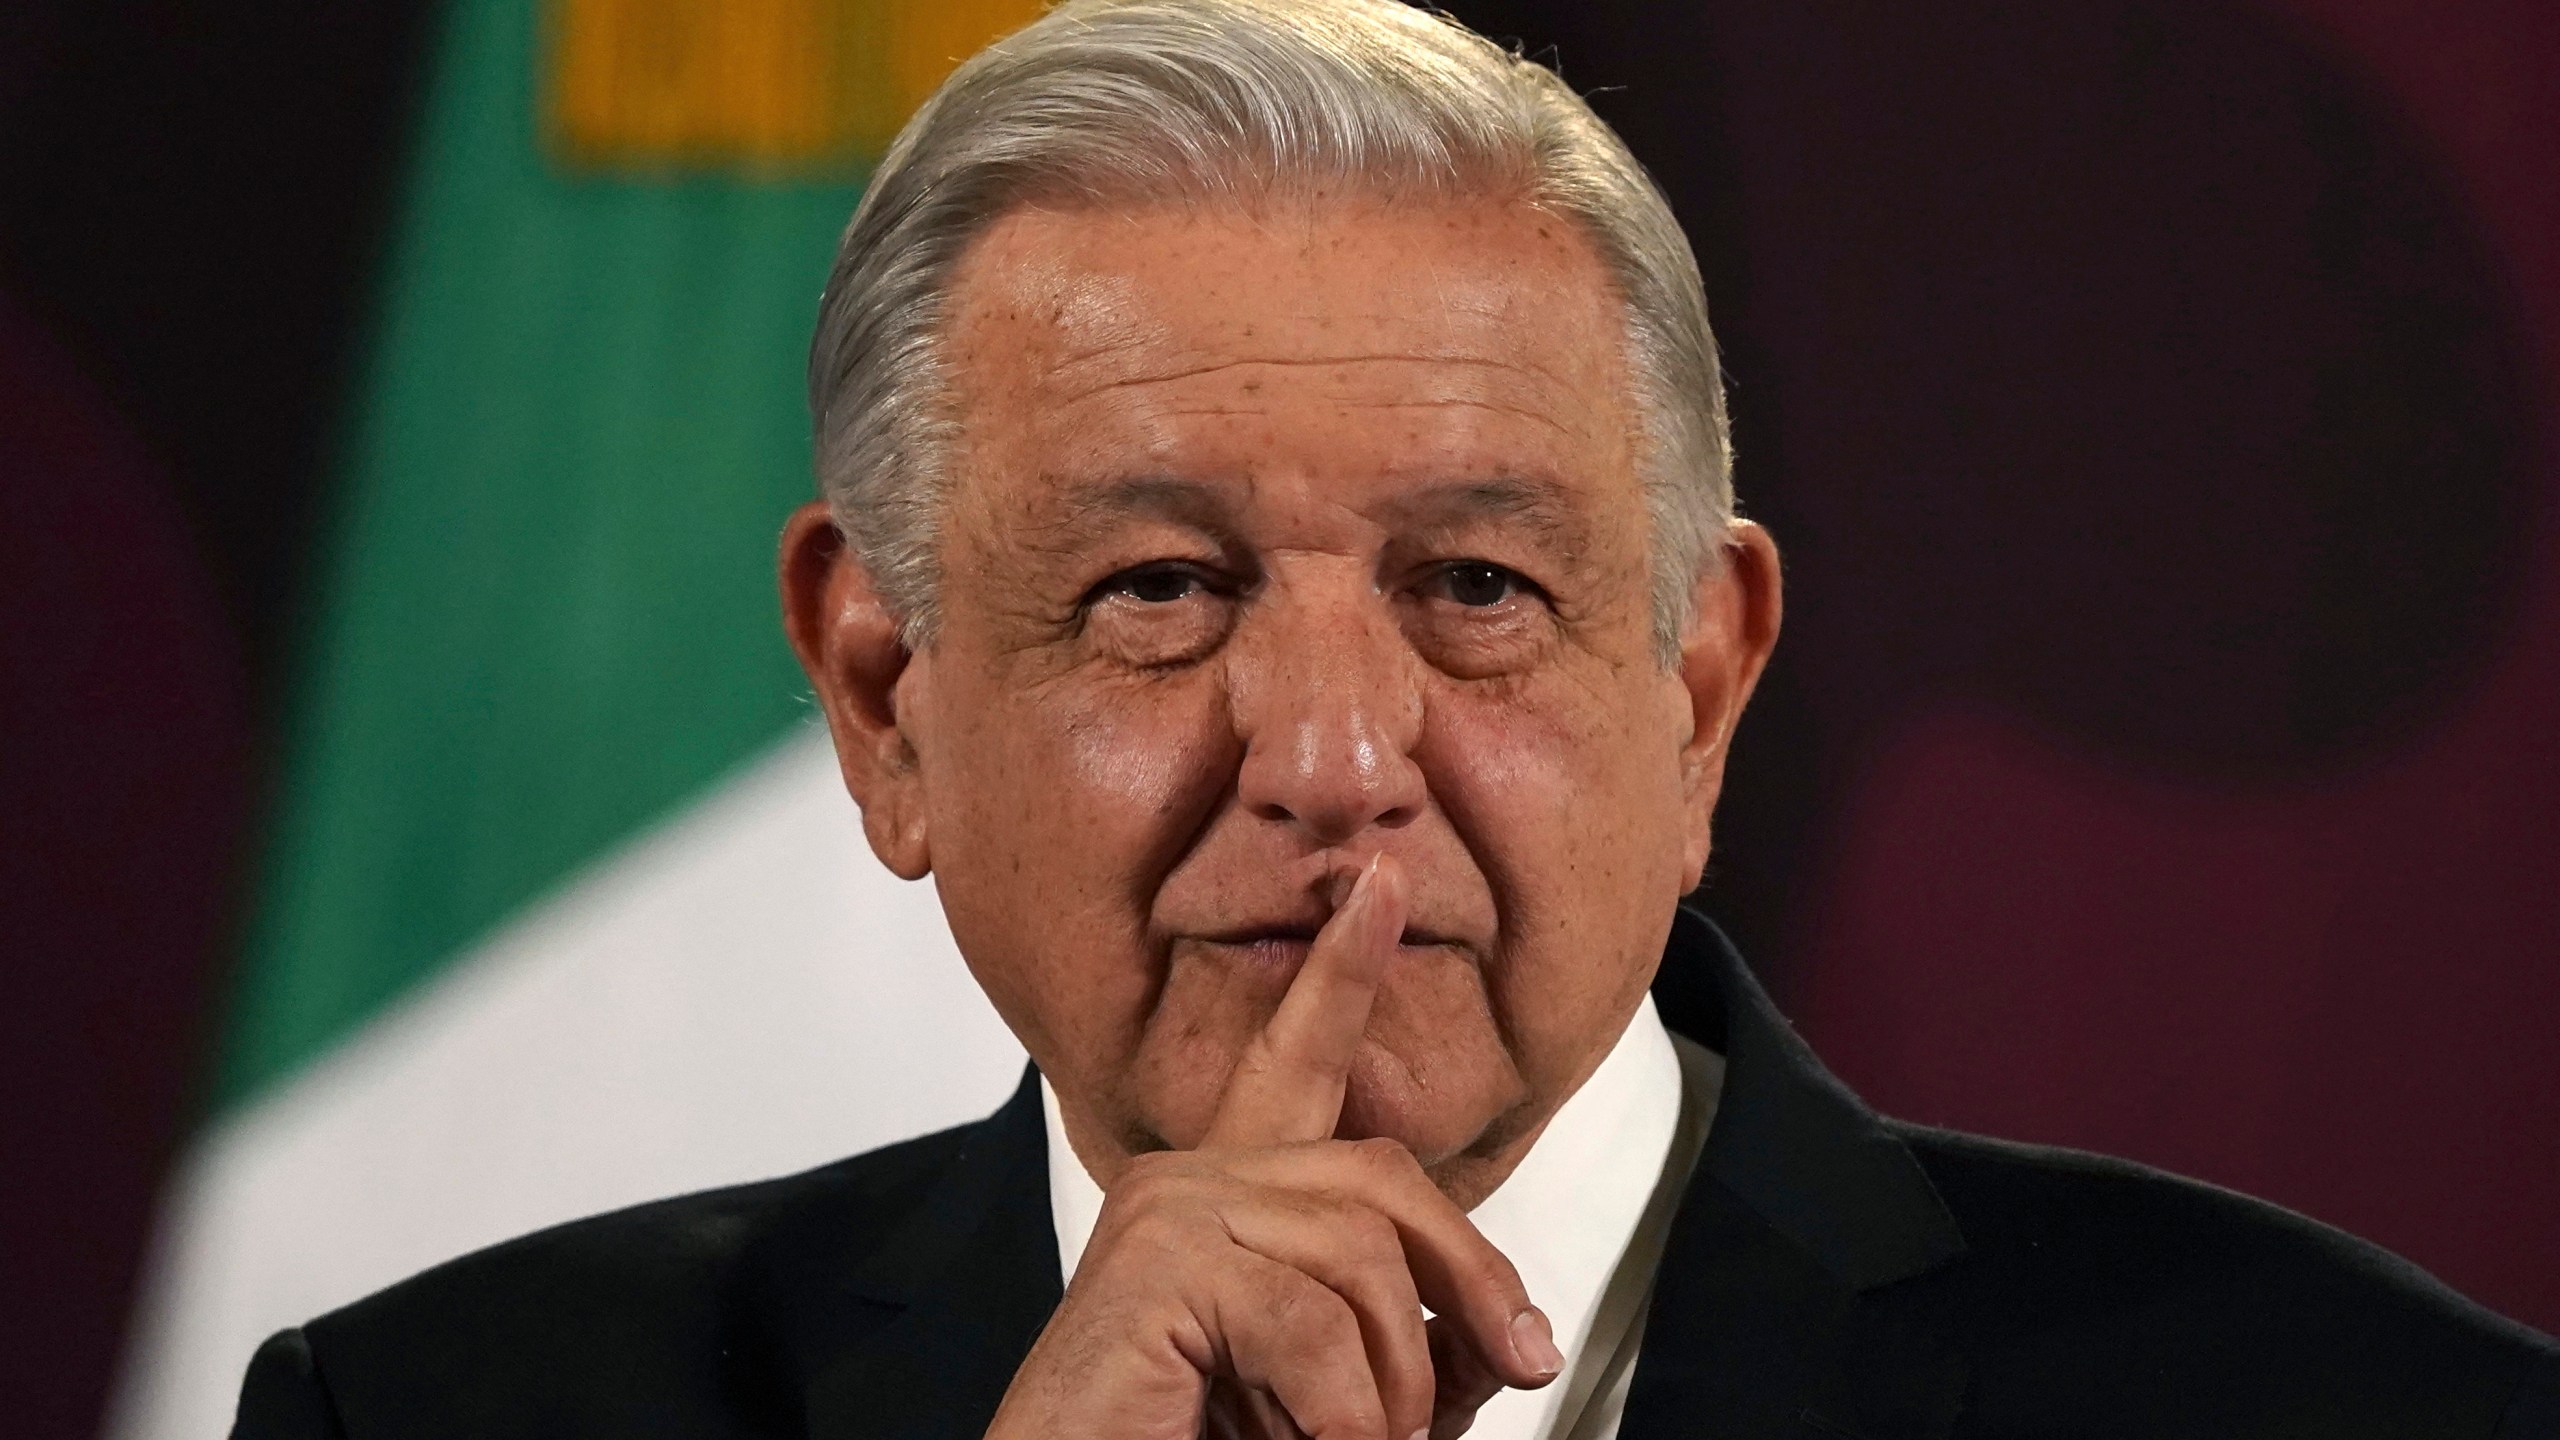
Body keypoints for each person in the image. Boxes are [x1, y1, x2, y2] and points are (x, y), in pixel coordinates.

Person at [230, 1, 2560, 1436]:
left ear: (1697, 686)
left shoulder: (2362, 1419)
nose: (1335, 760)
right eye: (1158, 591)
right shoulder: (430, 1416)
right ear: (883, 699)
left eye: (1474, 589)